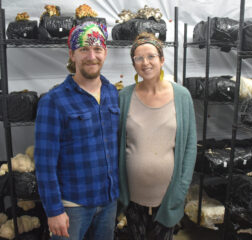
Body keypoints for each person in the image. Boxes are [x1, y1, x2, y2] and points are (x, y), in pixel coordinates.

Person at [34, 22, 119, 240]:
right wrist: (54, 211)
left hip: (108, 202)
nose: (92, 56)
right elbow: (44, 162)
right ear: (72, 54)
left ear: (105, 52)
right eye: (84, 49)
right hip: (72, 206)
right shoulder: (53, 101)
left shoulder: (112, 93)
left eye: (97, 49)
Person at [118, 32, 197, 240]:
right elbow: (116, 143)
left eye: (151, 56)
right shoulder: (124, 97)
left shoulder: (182, 96)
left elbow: (190, 146)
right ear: (134, 64)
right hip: (132, 197)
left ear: (162, 60)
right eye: (139, 58)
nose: (146, 63)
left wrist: (180, 190)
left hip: (168, 196)